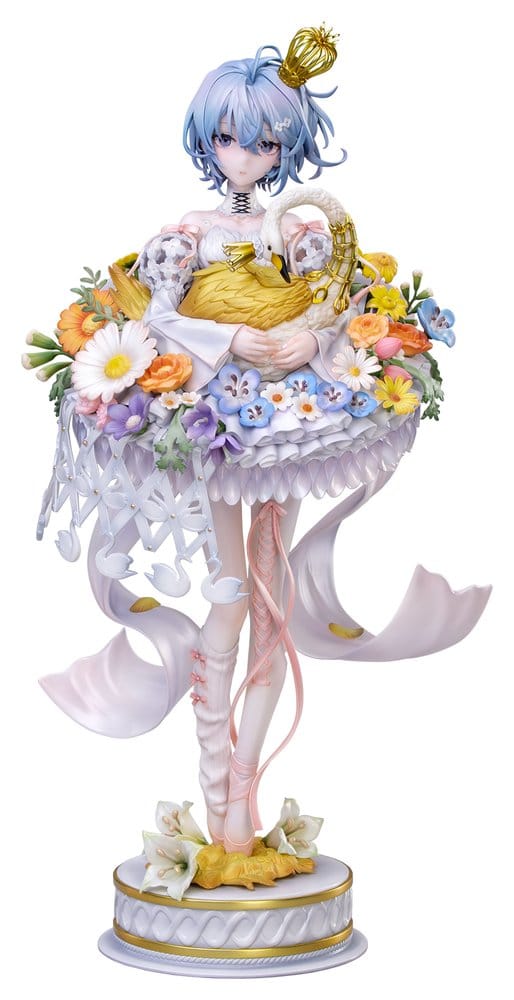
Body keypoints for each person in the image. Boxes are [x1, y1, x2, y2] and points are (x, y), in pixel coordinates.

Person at [136, 27, 349, 853]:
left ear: (284, 149)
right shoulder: (187, 231)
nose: (244, 156)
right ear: (207, 140)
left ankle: (243, 799)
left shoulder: (291, 229)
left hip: (292, 413)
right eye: (228, 138)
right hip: (220, 413)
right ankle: (217, 793)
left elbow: (334, 302)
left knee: (272, 600)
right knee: (230, 593)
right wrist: (228, 340)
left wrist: (308, 338)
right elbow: (157, 320)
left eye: (262, 143)